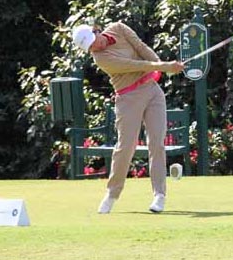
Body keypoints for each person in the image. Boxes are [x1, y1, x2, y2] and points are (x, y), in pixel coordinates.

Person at [71, 22, 184, 214]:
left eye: (94, 41)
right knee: (126, 146)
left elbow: (141, 47)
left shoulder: (119, 28)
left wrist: (160, 65)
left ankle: (159, 195)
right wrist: (164, 66)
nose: (95, 47)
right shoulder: (101, 58)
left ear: (96, 31)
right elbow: (133, 65)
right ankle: (112, 194)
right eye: (90, 47)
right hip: (128, 98)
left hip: (152, 91)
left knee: (157, 142)